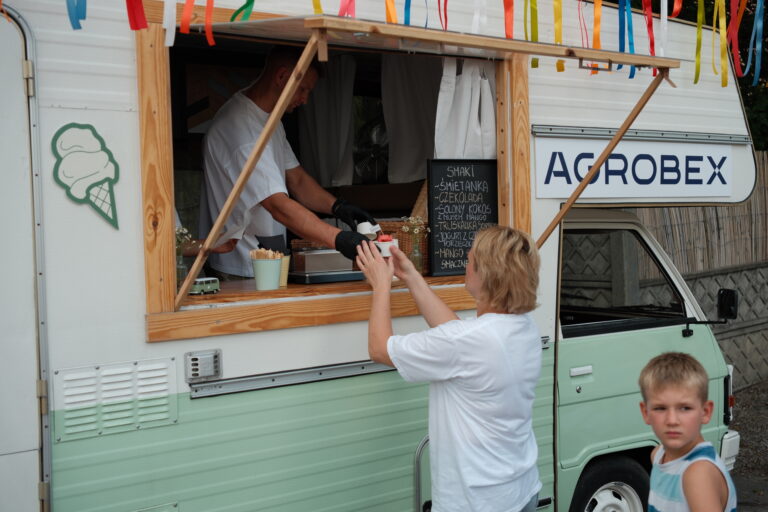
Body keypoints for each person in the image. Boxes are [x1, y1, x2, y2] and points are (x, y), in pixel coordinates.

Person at [356, 226, 542, 512]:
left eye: (469, 260)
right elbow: (456, 335)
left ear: (486, 273)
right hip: (521, 490)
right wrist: (411, 277)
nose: (465, 265)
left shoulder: (469, 341)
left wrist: (381, 286)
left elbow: (380, 348)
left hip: (476, 504)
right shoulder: (523, 327)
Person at [201, 46, 374, 278]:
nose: (304, 100)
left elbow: (298, 180)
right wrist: (338, 238)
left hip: (267, 261)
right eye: (302, 89)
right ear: (282, 77)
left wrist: (339, 207)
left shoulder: (269, 118)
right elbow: (278, 206)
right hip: (242, 266)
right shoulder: (242, 130)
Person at [638, 352, 738, 512]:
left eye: (685, 408)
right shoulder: (658, 456)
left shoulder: (698, 474)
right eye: (660, 408)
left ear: (705, 412)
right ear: (645, 413)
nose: (672, 420)